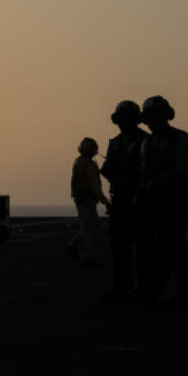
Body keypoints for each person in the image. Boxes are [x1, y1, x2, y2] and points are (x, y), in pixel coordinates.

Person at [137, 96, 188, 308]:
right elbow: (144, 172)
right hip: (153, 202)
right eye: (149, 118)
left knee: (168, 246)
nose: (151, 122)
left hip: (174, 200)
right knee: (175, 249)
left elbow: (185, 167)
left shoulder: (179, 137)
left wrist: (158, 181)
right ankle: (184, 295)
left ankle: (153, 293)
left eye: (155, 117)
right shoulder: (148, 142)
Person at [99, 100, 149, 300]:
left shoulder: (146, 140)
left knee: (143, 246)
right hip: (120, 198)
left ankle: (144, 287)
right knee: (119, 246)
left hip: (141, 198)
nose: (122, 122)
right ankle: (122, 287)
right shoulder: (116, 142)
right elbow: (109, 169)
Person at [64, 138, 110, 268]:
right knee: (90, 228)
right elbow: (95, 187)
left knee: (88, 227)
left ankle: (72, 246)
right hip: (87, 199)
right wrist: (105, 201)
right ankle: (85, 257)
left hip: (80, 198)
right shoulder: (89, 165)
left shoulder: (78, 162)